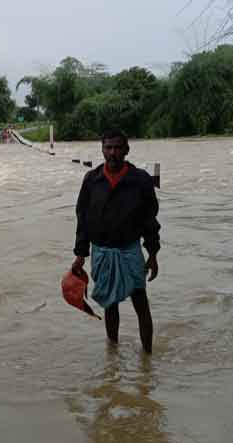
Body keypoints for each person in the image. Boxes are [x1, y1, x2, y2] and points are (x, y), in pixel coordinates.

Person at [71, 128, 160, 353]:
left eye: (118, 148)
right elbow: (83, 217)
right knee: (110, 305)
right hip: (102, 251)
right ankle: (113, 355)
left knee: (141, 303)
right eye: (108, 148)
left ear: (126, 150)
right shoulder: (92, 180)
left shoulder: (140, 180)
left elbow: (150, 218)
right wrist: (80, 255)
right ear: (102, 150)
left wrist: (153, 253)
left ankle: (147, 357)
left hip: (131, 251)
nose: (113, 153)